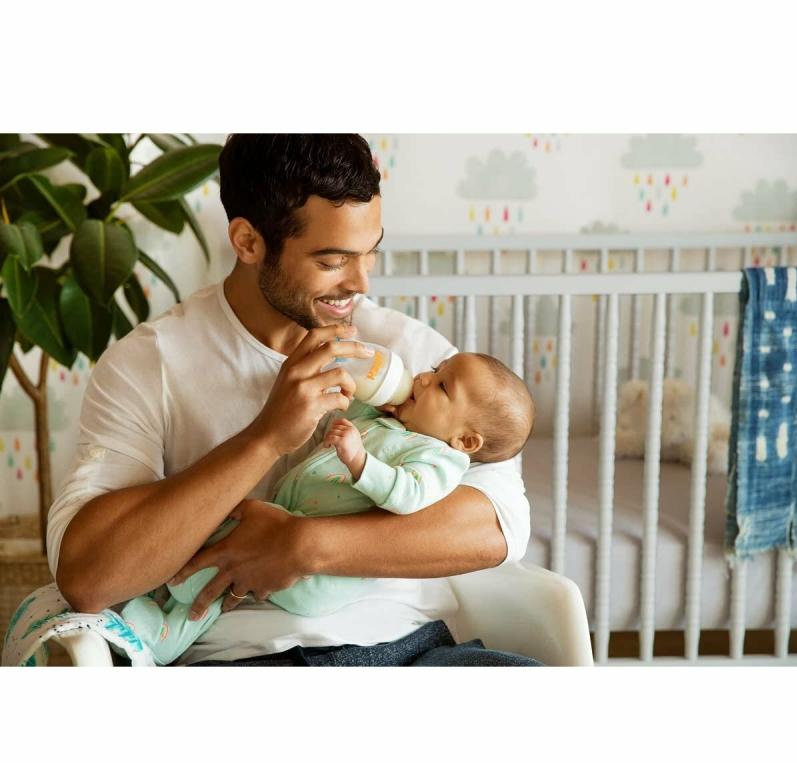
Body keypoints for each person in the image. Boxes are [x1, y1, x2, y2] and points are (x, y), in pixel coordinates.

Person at [49, 134, 538, 666]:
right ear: (248, 242)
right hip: (241, 658)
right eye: (333, 261)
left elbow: (499, 526)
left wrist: (304, 545)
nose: (361, 283)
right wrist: (264, 439)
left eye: (370, 253)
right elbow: (89, 577)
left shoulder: (418, 359)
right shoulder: (150, 364)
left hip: (415, 648)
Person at [119, 352, 536, 664]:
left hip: (321, 580)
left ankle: (163, 633)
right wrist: (369, 393)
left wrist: (360, 462)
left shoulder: (440, 459)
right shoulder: (394, 422)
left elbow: (408, 494)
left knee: (222, 569)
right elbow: (351, 411)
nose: (424, 378)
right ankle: (160, 601)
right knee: (220, 543)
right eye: (434, 369)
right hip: (286, 525)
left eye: (442, 387)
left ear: (466, 440)